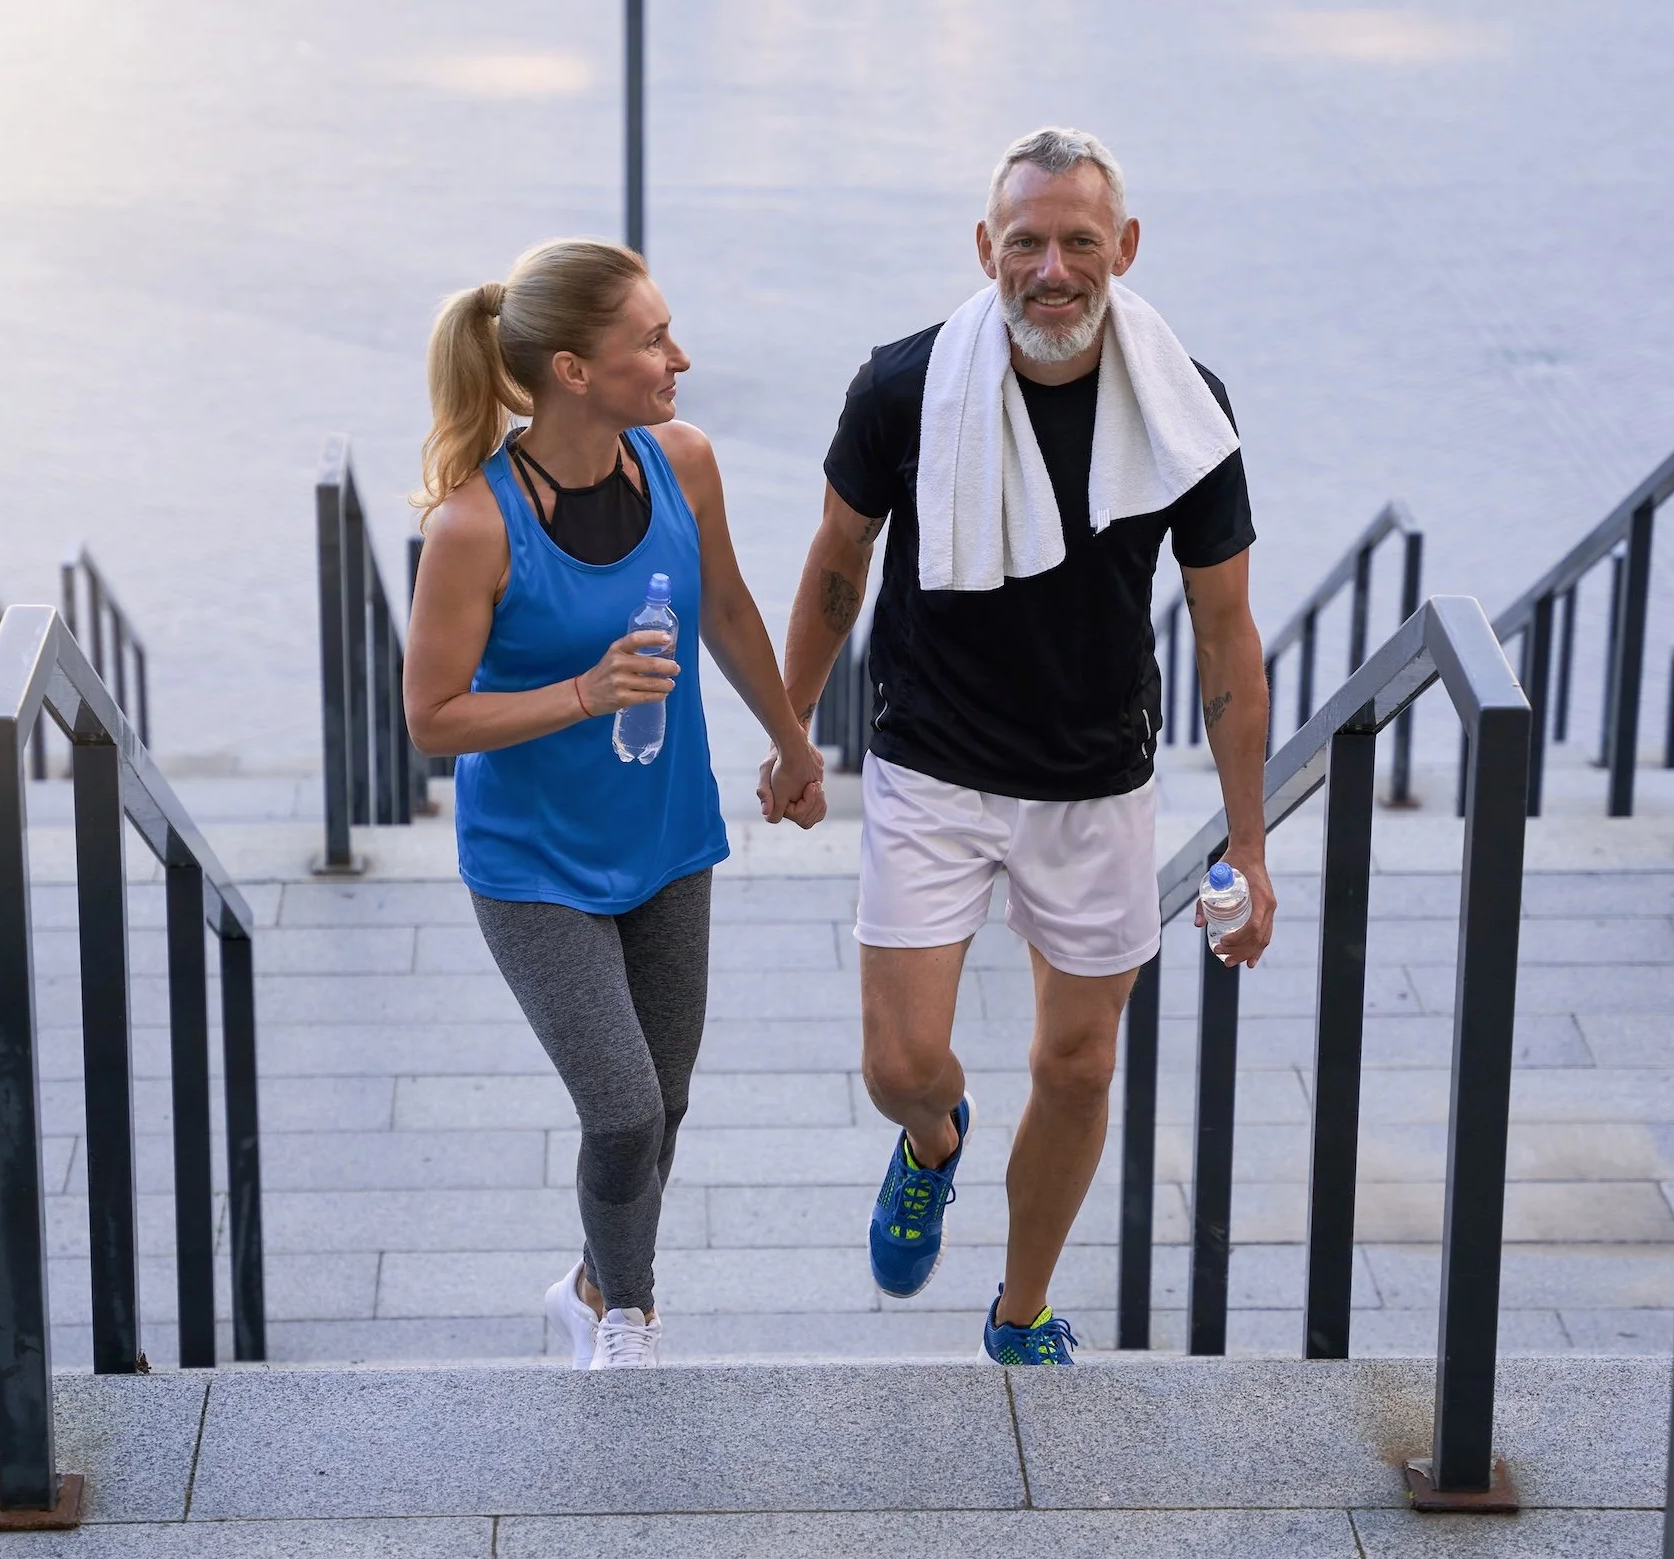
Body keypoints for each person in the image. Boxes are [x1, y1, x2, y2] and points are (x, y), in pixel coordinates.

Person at [774, 128, 1276, 1365]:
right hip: (931, 753)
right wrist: (793, 732)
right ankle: (933, 1144)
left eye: (1079, 243)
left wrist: (1252, 849)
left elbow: (1226, 631)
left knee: (1077, 1062)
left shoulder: (1186, 404)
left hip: (1095, 775)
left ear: (1127, 249)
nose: (1052, 269)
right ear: (985, 249)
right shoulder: (902, 387)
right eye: (1026, 243)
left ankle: (1021, 1309)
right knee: (899, 1061)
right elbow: (839, 562)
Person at [404, 238, 826, 1370]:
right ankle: (626, 1316)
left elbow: (729, 608)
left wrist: (792, 743)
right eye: (651, 339)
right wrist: (584, 693)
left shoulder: (681, 463)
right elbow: (433, 717)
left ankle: (592, 1279)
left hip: (667, 835)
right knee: (625, 1106)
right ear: (574, 373)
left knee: (665, 1100)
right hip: (534, 866)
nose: (678, 356)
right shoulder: (475, 527)